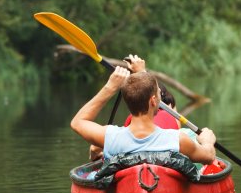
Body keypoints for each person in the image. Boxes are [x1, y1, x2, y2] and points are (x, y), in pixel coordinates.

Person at [72, 54, 216, 165]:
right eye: (159, 93)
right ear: (153, 101)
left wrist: (110, 87)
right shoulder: (177, 140)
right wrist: (207, 141)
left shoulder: (110, 136)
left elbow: (77, 122)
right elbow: (209, 157)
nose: (161, 96)